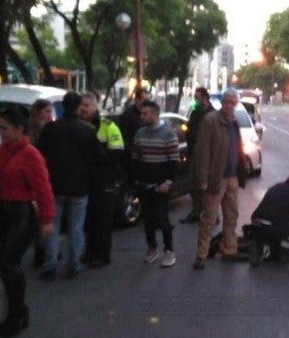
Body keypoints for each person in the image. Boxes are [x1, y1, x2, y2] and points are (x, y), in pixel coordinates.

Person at [0, 106, 54, 338]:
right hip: (3, 214)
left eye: (4, 128)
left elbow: (43, 190)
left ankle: (16, 315)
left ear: (19, 129)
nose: (0, 132)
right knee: (4, 265)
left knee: (9, 263)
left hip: (22, 216)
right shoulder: (2, 150)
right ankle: (18, 310)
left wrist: (46, 220)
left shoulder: (31, 155)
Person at [37, 91, 104, 280]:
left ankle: (50, 264)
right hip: (79, 186)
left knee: (53, 226)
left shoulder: (50, 129)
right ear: (77, 107)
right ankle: (74, 263)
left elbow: (40, 153)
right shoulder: (87, 131)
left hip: (55, 184)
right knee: (76, 226)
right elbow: (99, 158)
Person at [192, 88, 247, 270]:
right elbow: (202, 152)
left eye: (233, 102)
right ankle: (201, 255)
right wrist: (203, 179)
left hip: (232, 176)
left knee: (231, 215)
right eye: (227, 101)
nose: (229, 105)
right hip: (216, 177)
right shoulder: (210, 121)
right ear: (222, 102)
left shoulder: (234, 121)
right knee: (209, 217)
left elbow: (237, 148)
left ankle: (229, 250)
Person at [78, 92, 125, 268]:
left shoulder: (108, 126)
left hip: (103, 181)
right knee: (88, 220)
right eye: (81, 105)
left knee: (103, 220)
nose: (82, 109)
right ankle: (89, 251)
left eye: (86, 105)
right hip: (84, 180)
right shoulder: (78, 126)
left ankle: (102, 255)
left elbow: (118, 152)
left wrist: (99, 162)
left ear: (95, 107)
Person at [131, 100, 180, 267]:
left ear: (155, 114)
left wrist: (167, 182)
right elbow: (136, 158)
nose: (142, 116)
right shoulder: (140, 134)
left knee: (163, 219)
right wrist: (137, 180)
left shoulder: (168, 135)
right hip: (145, 184)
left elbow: (174, 161)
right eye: (141, 113)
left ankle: (169, 251)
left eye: (146, 114)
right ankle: (152, 248)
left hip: (162, 186)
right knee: (148, 220)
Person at [180, 87, 215, 224]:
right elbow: (189, 131)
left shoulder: (213, 115)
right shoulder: (195, 113)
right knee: (194, 185)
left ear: (204, 98)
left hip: (207, 156)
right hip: (194, 153)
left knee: (207, 187)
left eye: (197, 98)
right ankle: (196, 212)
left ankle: (211, 214)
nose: (195, 101)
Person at [27, 99, 55, 268]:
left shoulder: (50, 128)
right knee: (39, 217)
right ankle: (41, 251)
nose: (50, 115)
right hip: (36, 177)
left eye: (51, 112)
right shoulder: (32, 130)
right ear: (37, 112)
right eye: (46, 112)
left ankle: (44, 249)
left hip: (47, 176)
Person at [118, 88, 151, 176]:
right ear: (137, 100)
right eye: (145, 100)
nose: (147, 103)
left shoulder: (148, 115)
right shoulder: (127, 116)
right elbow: (123, 138)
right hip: (132, 160)